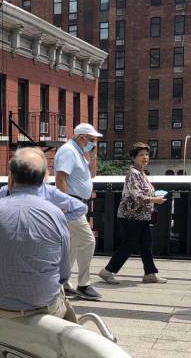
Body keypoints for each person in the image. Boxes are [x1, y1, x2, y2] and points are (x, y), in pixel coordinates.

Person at [0, 147, 77, 322]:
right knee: (70, 318)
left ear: (11, 177)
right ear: (43, 180)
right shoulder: (55, 213)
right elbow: (63, 273)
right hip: (43, 310)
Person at [99, 142, 167, 284]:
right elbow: (137, 196)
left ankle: (150, 274)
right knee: (129, 244)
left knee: (146, 243)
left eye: (147, 154)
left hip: (141, 217)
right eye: (141, 155)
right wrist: (155, 199)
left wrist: (154, 197)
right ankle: (107, 271)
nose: (145, 157)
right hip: (131, 216)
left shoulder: (141, 173)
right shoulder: (133, 174)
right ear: (133, 157)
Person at [54, 123, 103, 300]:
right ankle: (84, 284)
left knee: (72, 247)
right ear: (81, 137)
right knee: (88, 241)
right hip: (72, 204)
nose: (93, 144)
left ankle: (63, 283)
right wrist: (66, 205)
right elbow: (60, 178)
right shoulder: (68, 151)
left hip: (77, 204)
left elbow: (93, 175)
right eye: (91, 140)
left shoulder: (79, 152)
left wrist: (93, 155)